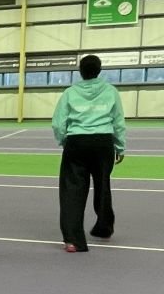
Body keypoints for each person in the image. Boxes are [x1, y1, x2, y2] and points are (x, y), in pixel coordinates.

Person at [52, 55, 126, 253]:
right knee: (103, 185)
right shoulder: (111, 91)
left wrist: (64, 140)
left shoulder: (70, 92)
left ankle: (73, 240)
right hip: (103, 143)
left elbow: (58, 122)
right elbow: (118, 121)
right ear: (99, 70)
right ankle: (104, 228)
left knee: (72, 191)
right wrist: (120, 146)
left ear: (80, 71)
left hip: (77, 142)